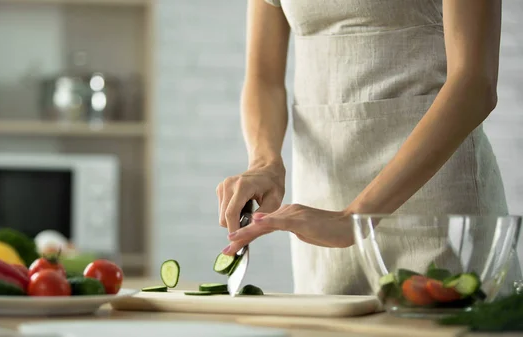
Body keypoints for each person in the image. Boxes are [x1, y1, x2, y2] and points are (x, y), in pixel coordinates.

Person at [216, 0, 521, 295]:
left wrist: (354, 218)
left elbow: (474, 83)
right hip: (323, 205)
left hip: (436, 207)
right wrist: (264, 162)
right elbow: (264, 77)